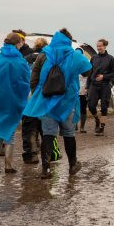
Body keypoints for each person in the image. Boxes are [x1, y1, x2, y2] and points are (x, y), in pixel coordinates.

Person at [24, 29, 92, 179]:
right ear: (68, 40)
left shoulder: (44, 54)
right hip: (67, 102)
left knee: (48, 135)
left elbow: (34, 77)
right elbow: (87, 72)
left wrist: (37, 94)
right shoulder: (74, 55)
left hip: (47, 101)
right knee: (69, 133)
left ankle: (46, 170)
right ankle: (73, 165)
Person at [0, 32, 30, 173]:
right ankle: (8, 165)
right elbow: (25, 82)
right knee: (10, 131)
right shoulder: (20, 61)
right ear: (17, 44)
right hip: (13, 100)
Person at [22, 37, 48, 164]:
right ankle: (49, 153)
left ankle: (31, 154)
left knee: (29, 128)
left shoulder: (26, 59)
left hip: (28, 98)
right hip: (44, 97)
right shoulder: (48, 58)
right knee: (45, 128)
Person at [87, 39, 114, 136]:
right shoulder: (94, 58)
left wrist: (104, 77)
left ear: (105, 46)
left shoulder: (110, 58)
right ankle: (97, 119)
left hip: (105, 85)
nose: (98, 48)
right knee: (91, 105)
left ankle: (102, 128)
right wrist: (87, 86)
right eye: (97, 46)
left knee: (104, 107)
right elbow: (90, 72)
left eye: (100, 46)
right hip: (94, 85)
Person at [76, 48, 88, 133]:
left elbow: (89, 78)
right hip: (74, 91)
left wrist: (88, 88)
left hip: (83, 91)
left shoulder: (86, 65)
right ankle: (74, 125)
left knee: (83, 109)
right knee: (73, 108)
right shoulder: (72, 64)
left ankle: (82, 127)